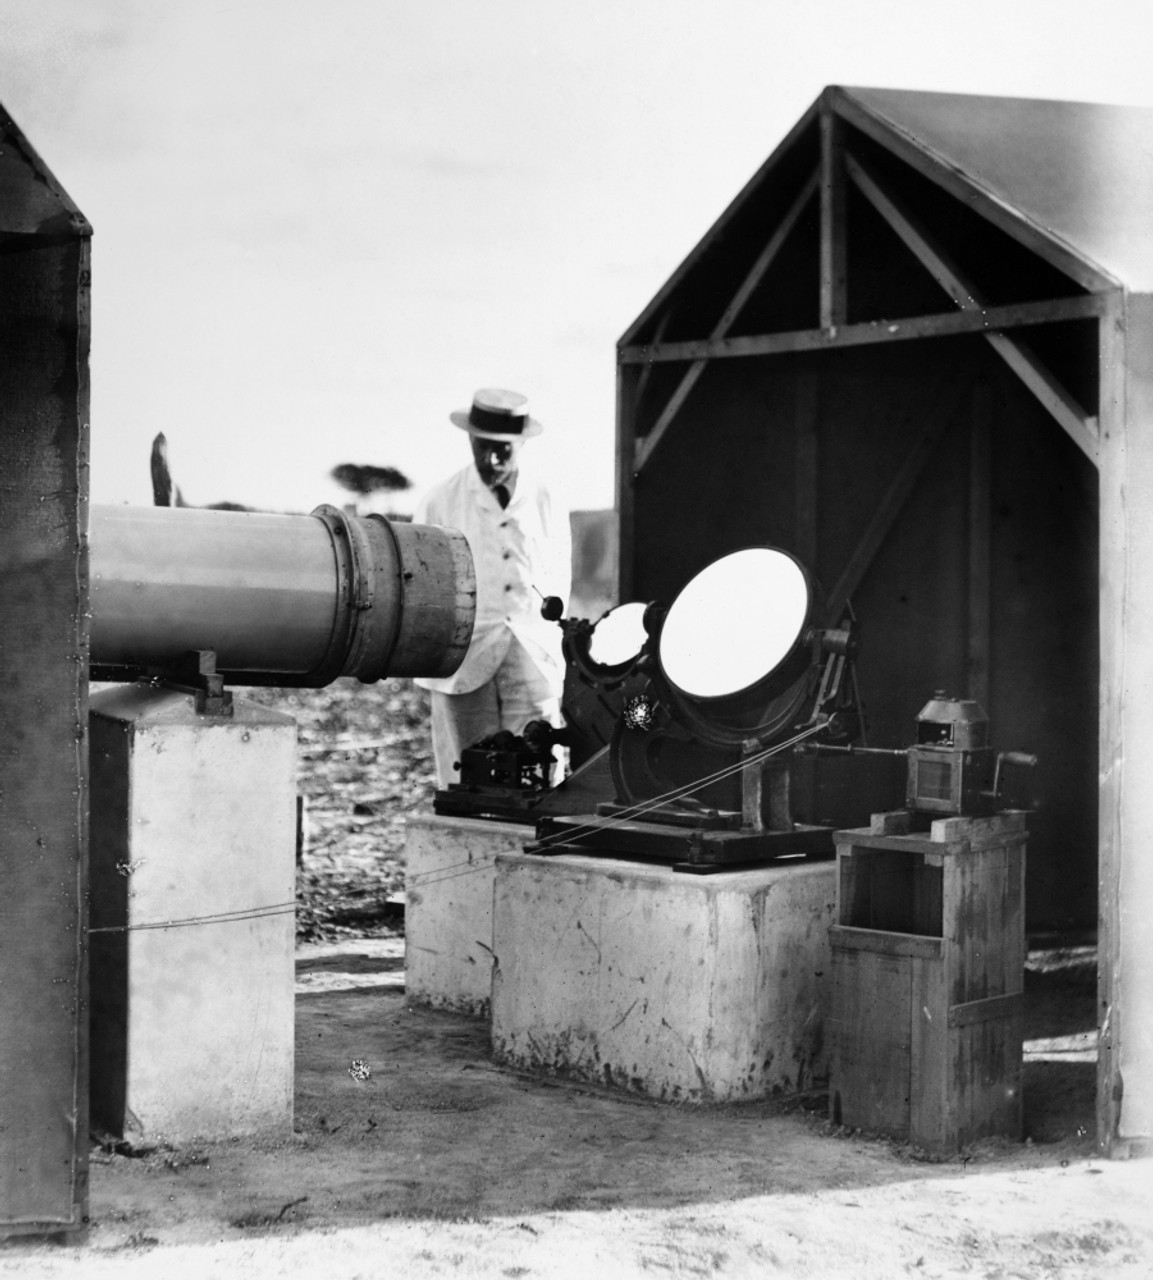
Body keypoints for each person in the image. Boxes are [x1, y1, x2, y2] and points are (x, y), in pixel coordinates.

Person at [414, 388, 571, 788]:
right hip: (463, 657)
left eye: (504, 450)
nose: (492, 460)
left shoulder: (546, 498)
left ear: (520, 444)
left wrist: (552, 640)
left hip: (530, 655)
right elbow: (422, 585)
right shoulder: (439, 502)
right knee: (467, 774)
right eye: (483, 448)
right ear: (469, 439)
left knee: (541, 771)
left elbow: (558, 575)